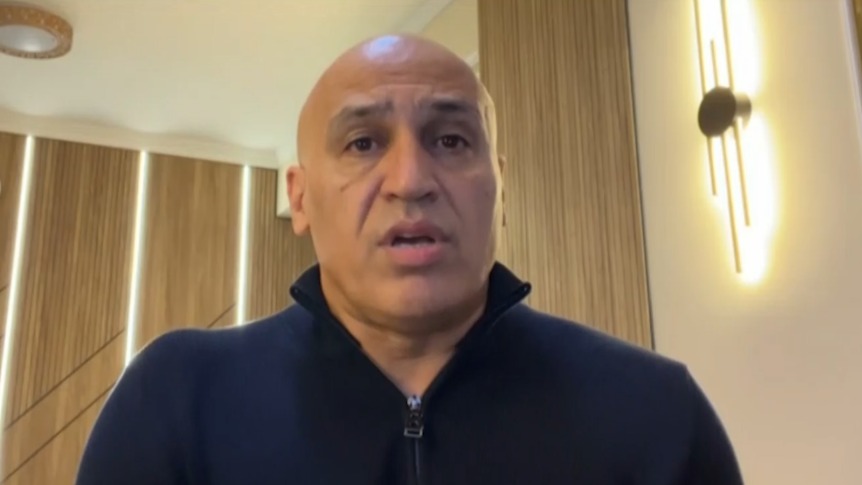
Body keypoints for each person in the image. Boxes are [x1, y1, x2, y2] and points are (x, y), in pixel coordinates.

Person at [76, 34, 744, 484]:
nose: (411, 180)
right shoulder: (177, 401)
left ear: (501, 189)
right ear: (300, 197)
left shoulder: (655, 413)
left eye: (450, 140)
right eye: (363, 143)